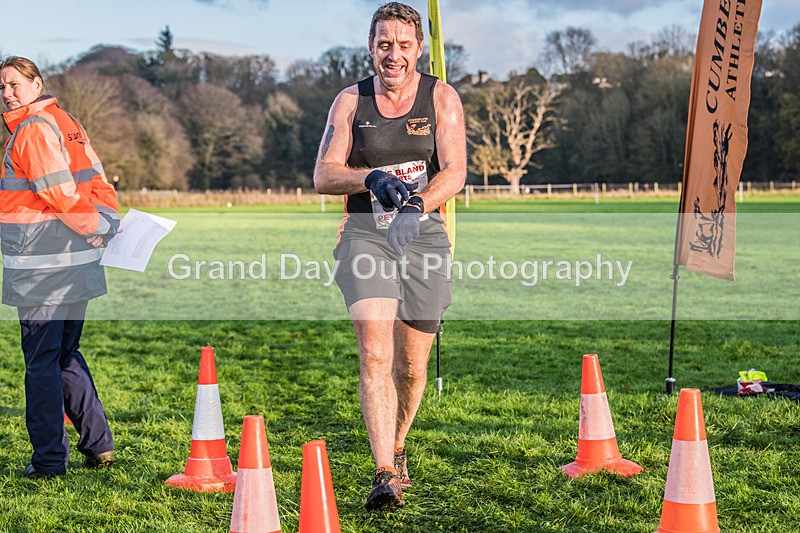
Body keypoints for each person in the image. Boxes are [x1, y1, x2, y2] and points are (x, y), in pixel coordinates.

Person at [313, 3, 466, 510]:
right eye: (383, 44)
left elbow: (455, 171)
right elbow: (323, 174)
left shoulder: (441, 98)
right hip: (365, 236)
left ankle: (399, 446)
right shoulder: (350, 102)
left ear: (418, 49)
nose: (392, 55)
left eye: (402, 45)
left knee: (412, 367)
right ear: (371, 47)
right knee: (376, 354)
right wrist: (368, 178)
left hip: (422, 237)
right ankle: (383, 472)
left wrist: (419, 204)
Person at [0, 56, 120, 478]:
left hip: (41, 265)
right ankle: (99, 445)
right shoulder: (67, 122)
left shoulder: (33, 129)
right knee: (64, 353)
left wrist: (91, 226)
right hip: (77, 262)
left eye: (15, 84)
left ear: (37, 84)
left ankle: (50, 460)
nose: (7, 93)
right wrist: (106, 223)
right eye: (2, 86)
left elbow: (59, 192)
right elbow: (99, 181)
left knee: (41, 361)